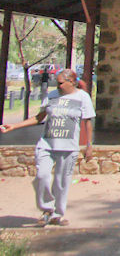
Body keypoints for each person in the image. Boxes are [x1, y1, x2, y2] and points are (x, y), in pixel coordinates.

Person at [0, 69, 95, 226]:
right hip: (47, 144)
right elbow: (39, 117)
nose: (57, 86)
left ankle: (58, 214)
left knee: (61, 182)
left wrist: (88, 146)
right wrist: (14, 126)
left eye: (60, 83)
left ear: (71, 82)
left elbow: (88, 122)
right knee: (42, 176)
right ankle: (47, 208)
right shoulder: (52, 96)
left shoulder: (82, 97)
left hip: (68, 147)